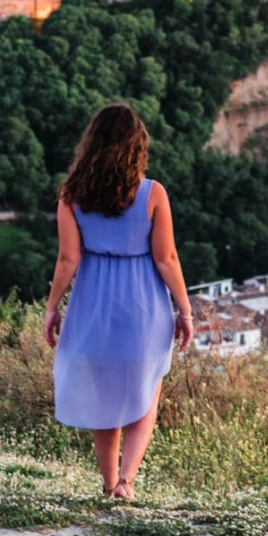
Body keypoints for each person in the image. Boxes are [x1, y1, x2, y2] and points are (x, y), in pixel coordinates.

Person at [43, 102, 194, 502]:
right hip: (144, 309)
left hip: (94, 308)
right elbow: (166, 259)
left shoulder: (71, 197)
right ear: (136, 146)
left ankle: (109, 484)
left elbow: (68, 260)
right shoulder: (152, 194)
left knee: (104, 399)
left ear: (91, 144)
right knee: (145, 392)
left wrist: (52, 308)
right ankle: (127, 482)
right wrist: (185, 310)